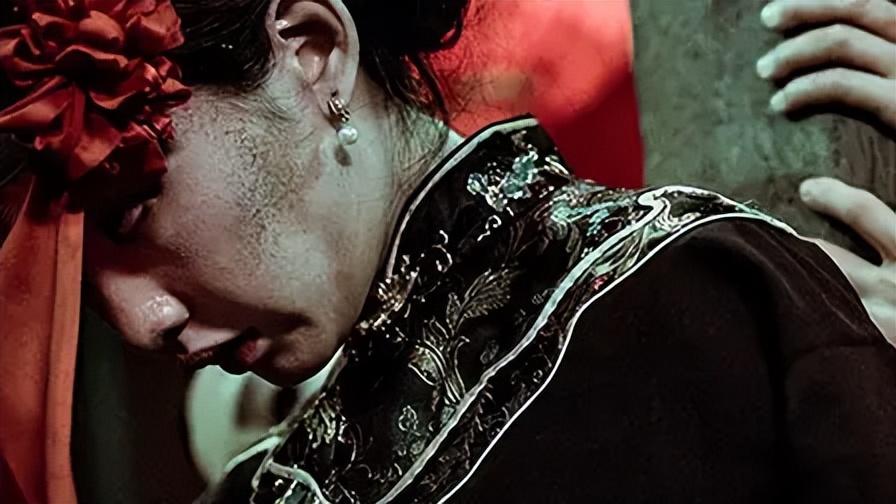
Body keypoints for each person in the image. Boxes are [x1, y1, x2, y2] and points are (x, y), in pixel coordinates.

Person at [0, 2, 893, 504]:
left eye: (132, 208)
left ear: (312, 51)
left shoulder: (697, 289)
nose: (139, 322)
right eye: (83, 285)